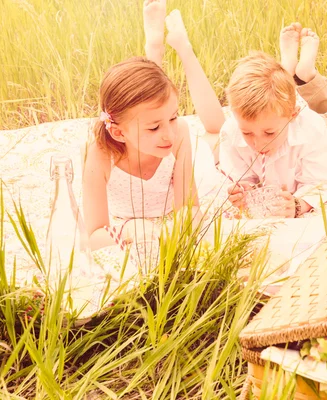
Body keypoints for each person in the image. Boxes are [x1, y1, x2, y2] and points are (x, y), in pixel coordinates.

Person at [83, 0, 224, 251]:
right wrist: (129, 230)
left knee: (215, 128)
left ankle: (175, 47)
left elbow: (189, 210)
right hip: (127, 207)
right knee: (145, 103)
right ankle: (154, 46)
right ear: (118, 132)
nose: (168, 134)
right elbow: (93, 236)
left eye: (173, 117)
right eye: (154, 128)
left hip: (181, 178)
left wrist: (173, 230)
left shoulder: (178, 133)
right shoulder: (100, 153)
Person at [220, 23, 327, 218]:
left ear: (293, 115)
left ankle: (307, 76)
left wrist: (299, 204)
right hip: (281, 112)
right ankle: (286, 72)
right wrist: (242, 190)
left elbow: (319, 183)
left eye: (269, 133)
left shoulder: (311, 130)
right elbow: (241, 176)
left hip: (326, 127)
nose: (258, 143)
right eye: (247, 133)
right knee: (279, 98)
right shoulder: (231, 132)